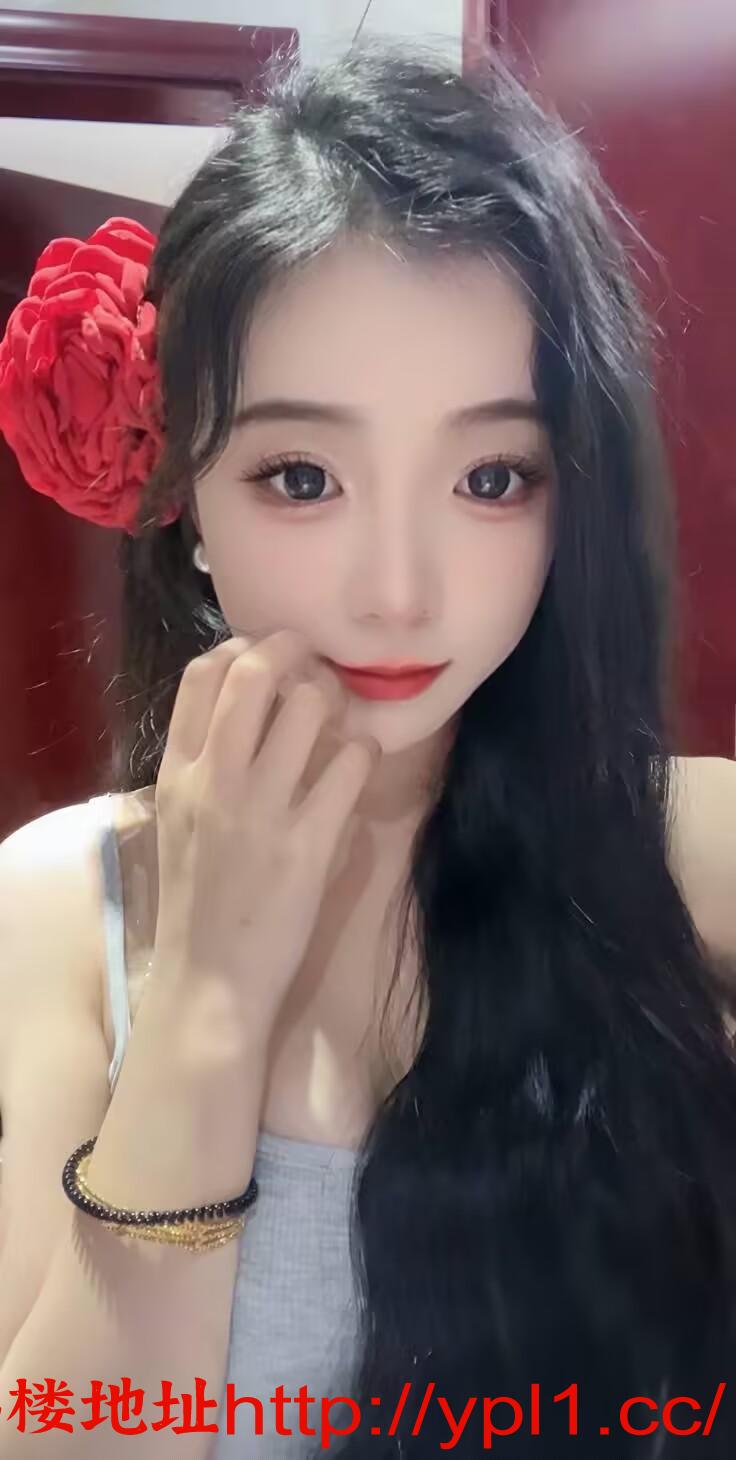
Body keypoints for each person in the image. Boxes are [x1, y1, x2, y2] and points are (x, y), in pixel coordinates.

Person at [0, 35, 735, 1460]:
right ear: (184, 499)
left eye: (490, 477)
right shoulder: (61, 908)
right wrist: (208, 1004)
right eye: (301, 476)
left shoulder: (684, 857)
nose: (399, 591)